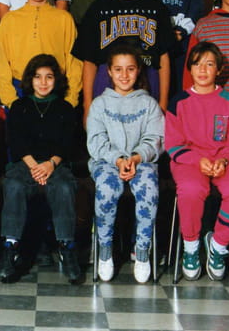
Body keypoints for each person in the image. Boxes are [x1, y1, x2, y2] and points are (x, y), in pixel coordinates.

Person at [165, 42, 229, 281]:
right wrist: (197, 160)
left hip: (225, 161)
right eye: (197, 64)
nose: (203, 70)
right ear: (189, 69)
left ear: (219, 69)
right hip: (189, 162)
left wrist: (225, 159)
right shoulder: (178, 102)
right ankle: (191, 248)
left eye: (209, 64)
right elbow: (173, 143)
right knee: (191, 189)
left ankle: (218, 245)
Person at [0, 54, 80, 283]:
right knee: (14, 185)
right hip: (25, 164)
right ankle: (10, 248)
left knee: (64, 187)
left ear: (56, 80)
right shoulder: (19, 106)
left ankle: (66, 247)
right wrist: (35, 167)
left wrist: (50, 164)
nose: (43, 82)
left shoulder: (65, 108)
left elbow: (67, 142)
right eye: (37, 77)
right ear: (29, 80)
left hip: (55, 164)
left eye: (49, 77)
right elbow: (15, 141)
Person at [73, 0, 174, 119]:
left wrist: (163, 103)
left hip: (147, 81)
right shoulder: (98, 9)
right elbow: (89, 61)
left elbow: (164, 58)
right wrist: (87, 105)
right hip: (106, 84)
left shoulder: (156, 8)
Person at [87, 44, 164, 283]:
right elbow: (96, 141)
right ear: (109, 72)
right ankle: (105, 250)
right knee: (107, 188)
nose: (124, 75)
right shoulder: (100, 104)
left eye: (130, 69)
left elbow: (155, 139)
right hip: (107, 162)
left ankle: (141, 251)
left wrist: (136, 158)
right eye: (118, 69)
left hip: (141, 161)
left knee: (148, 187)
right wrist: (118, 160)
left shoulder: (149, 104)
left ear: (138, 70)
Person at [0, 0, 82, 109]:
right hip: (19, 91)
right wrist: (11, 101)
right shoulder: (9, 20)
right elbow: (1, 65)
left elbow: (74, 63)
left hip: (55, 90)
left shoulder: (64, 18)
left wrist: (70, 99)